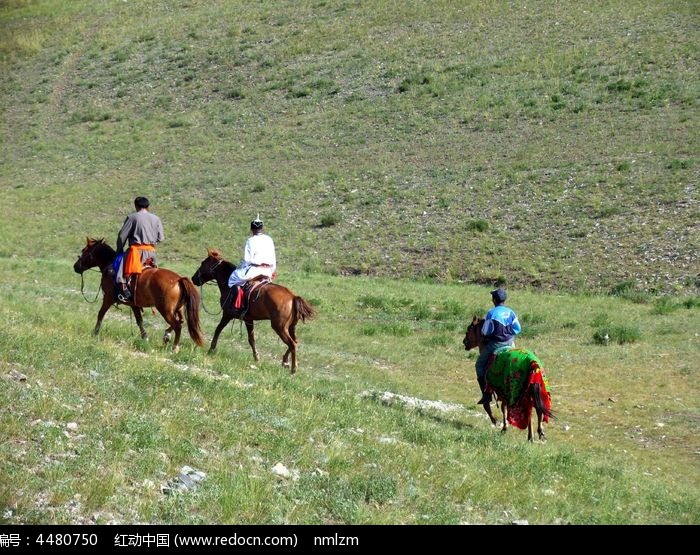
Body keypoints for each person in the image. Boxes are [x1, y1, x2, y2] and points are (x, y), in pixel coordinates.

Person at [475, 287, 522, 405]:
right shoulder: (511, 312)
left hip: (495, 344)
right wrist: (508, 334)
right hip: (510, 343)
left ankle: (486, 395)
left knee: (479, 365)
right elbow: (518, 328)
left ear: (494, 300)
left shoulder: (491, 313)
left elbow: (485, 331)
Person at [114, 196, 164, 302]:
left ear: (136, 206)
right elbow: (160, 238)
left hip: (136, 252)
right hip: (151, 253)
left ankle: (123, 289)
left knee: (120, 268)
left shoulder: (132, 217)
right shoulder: (156, 218)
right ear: (148, 206)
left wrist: (119, 249)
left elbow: (122, 236)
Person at [228, 216, 276, 310]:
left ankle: (237, 305)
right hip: (268, 271)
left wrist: (241, 267)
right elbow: (273, 258)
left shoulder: (250, 240)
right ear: (262, 229)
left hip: (255, 270)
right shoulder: (269, 239)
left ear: (252, 229)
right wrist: (273, 270)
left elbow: (247, 260)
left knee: (233, 278)